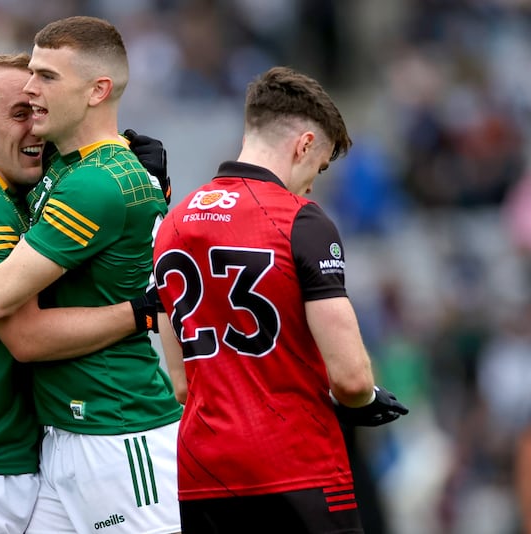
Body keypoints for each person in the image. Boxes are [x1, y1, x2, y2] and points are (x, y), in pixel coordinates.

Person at [0, 16, 183, 534]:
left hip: (118, 434)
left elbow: (6, 305)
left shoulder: (94, 183)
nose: (32, 87)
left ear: (97, 90)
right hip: (61, 440)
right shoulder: (63, 164)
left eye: (46, 77)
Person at [151, 66, 408, 533]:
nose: (312, 183)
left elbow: (182, 384)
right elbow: (350, 378)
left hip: (204, 472)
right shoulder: (300, 221)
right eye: (321, 166)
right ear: (304, 144)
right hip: (296, 468)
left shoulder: (174, 224)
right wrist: (367, 399)